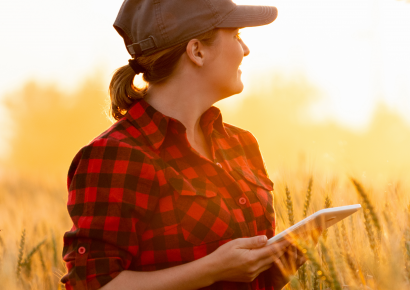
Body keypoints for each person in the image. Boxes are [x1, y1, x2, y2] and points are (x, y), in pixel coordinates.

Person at [60, 0, 307, 289]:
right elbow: (93, 285)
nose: (246, 50)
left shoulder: (240, 144)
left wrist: (282, 257)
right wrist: (213, 269)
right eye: (237, 36)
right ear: (197, 51)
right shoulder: (116, 155)